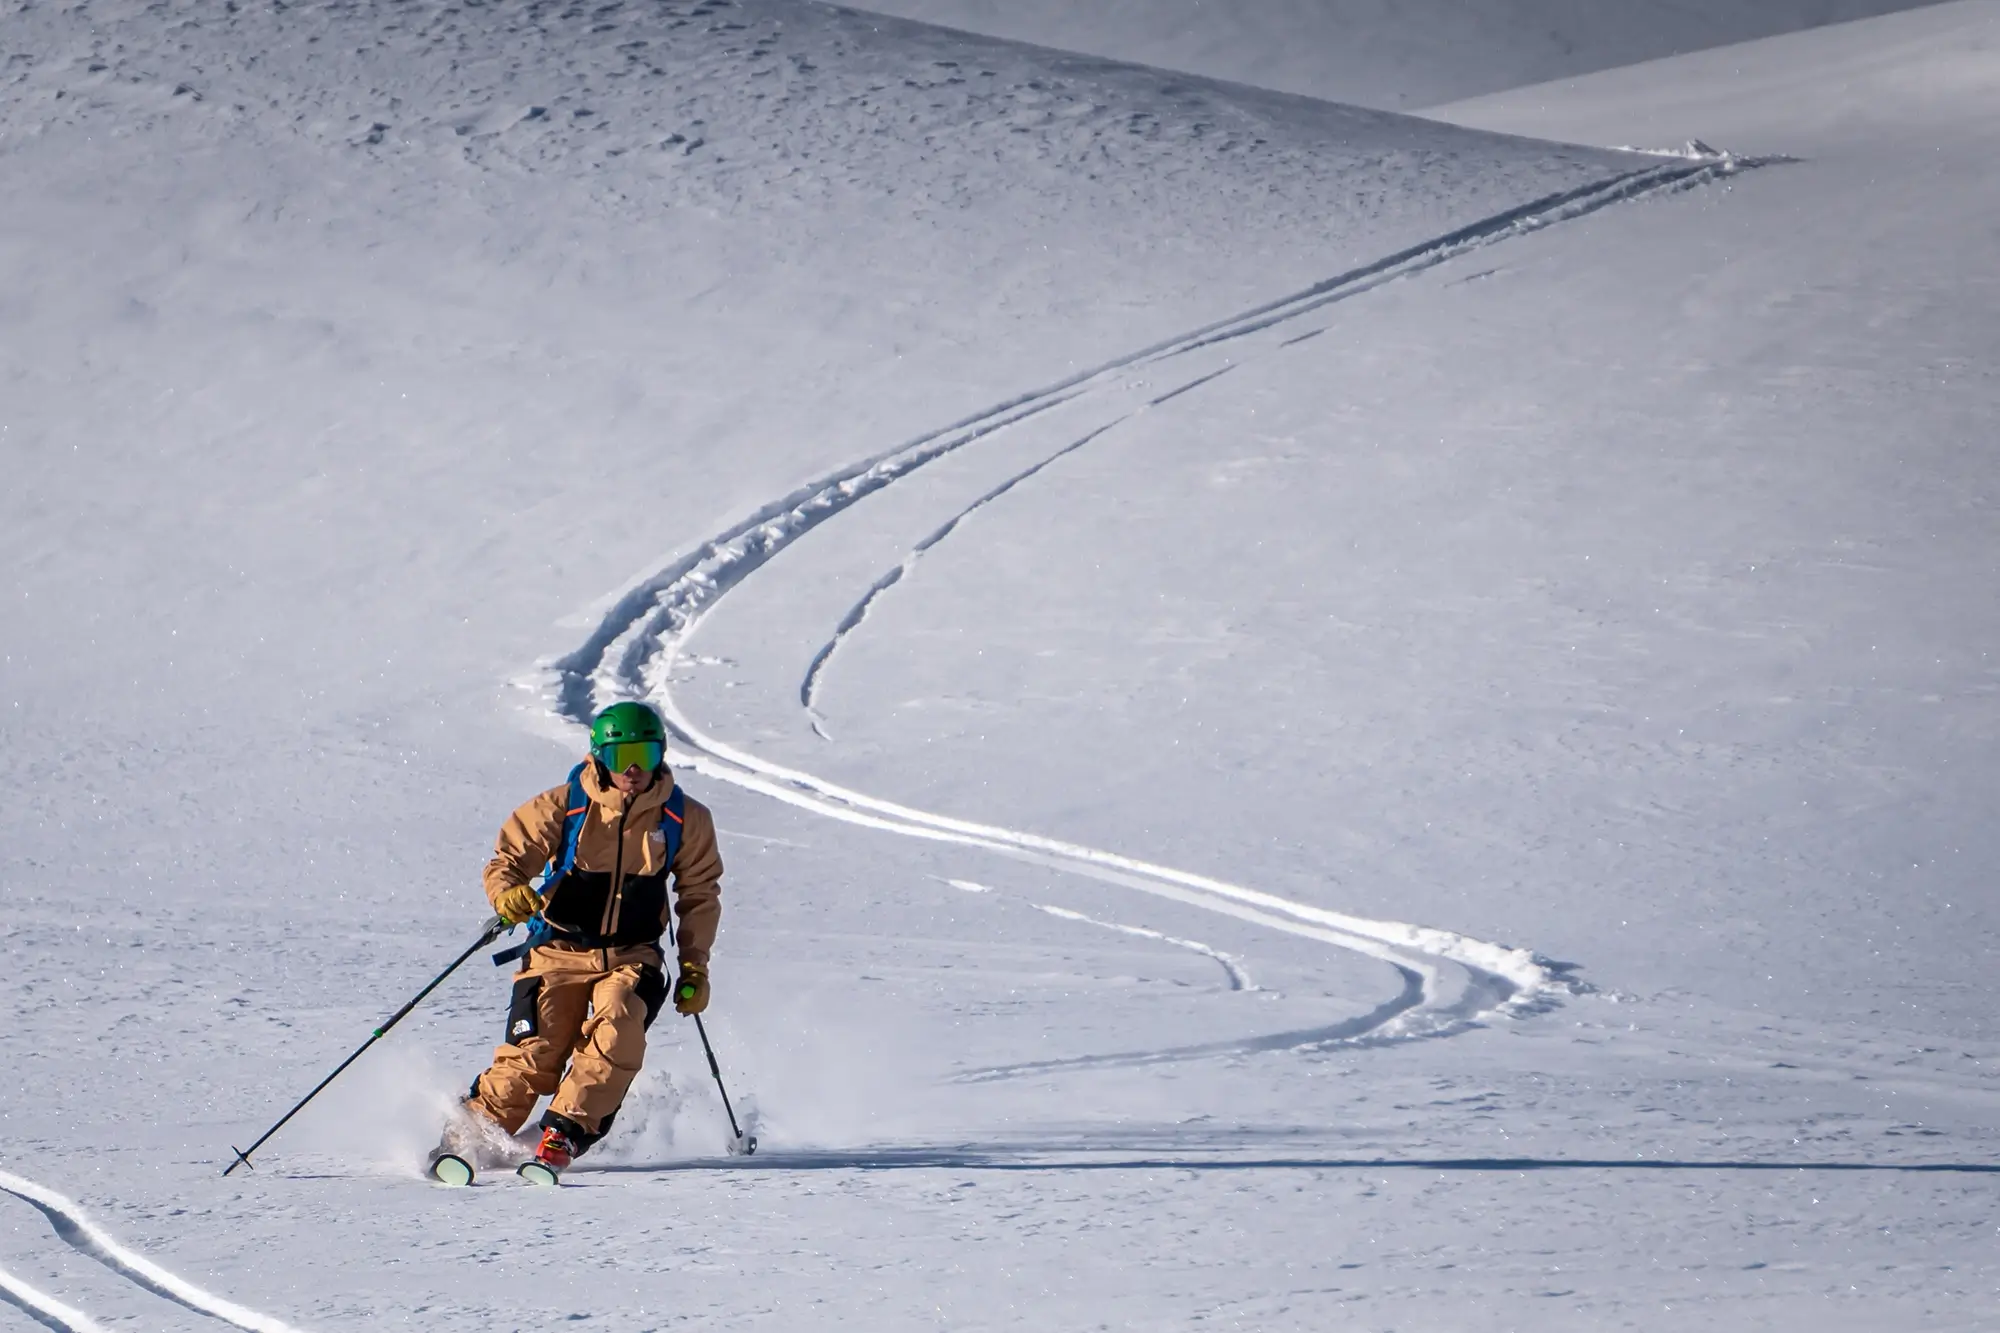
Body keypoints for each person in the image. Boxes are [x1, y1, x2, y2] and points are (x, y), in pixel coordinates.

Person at [433, 701, 723, 1180]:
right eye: (622, 755)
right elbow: (507, 859)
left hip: (633, 955)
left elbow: (700, 891)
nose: (633, 769)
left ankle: (564, 1130)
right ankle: (469, 1137)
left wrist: (694, 966)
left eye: (646, 755)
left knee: (620, 1024)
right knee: (536, 1053)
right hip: (556, 950)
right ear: (599, 756)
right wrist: (508, 895)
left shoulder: (684, 819)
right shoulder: (564, 806)